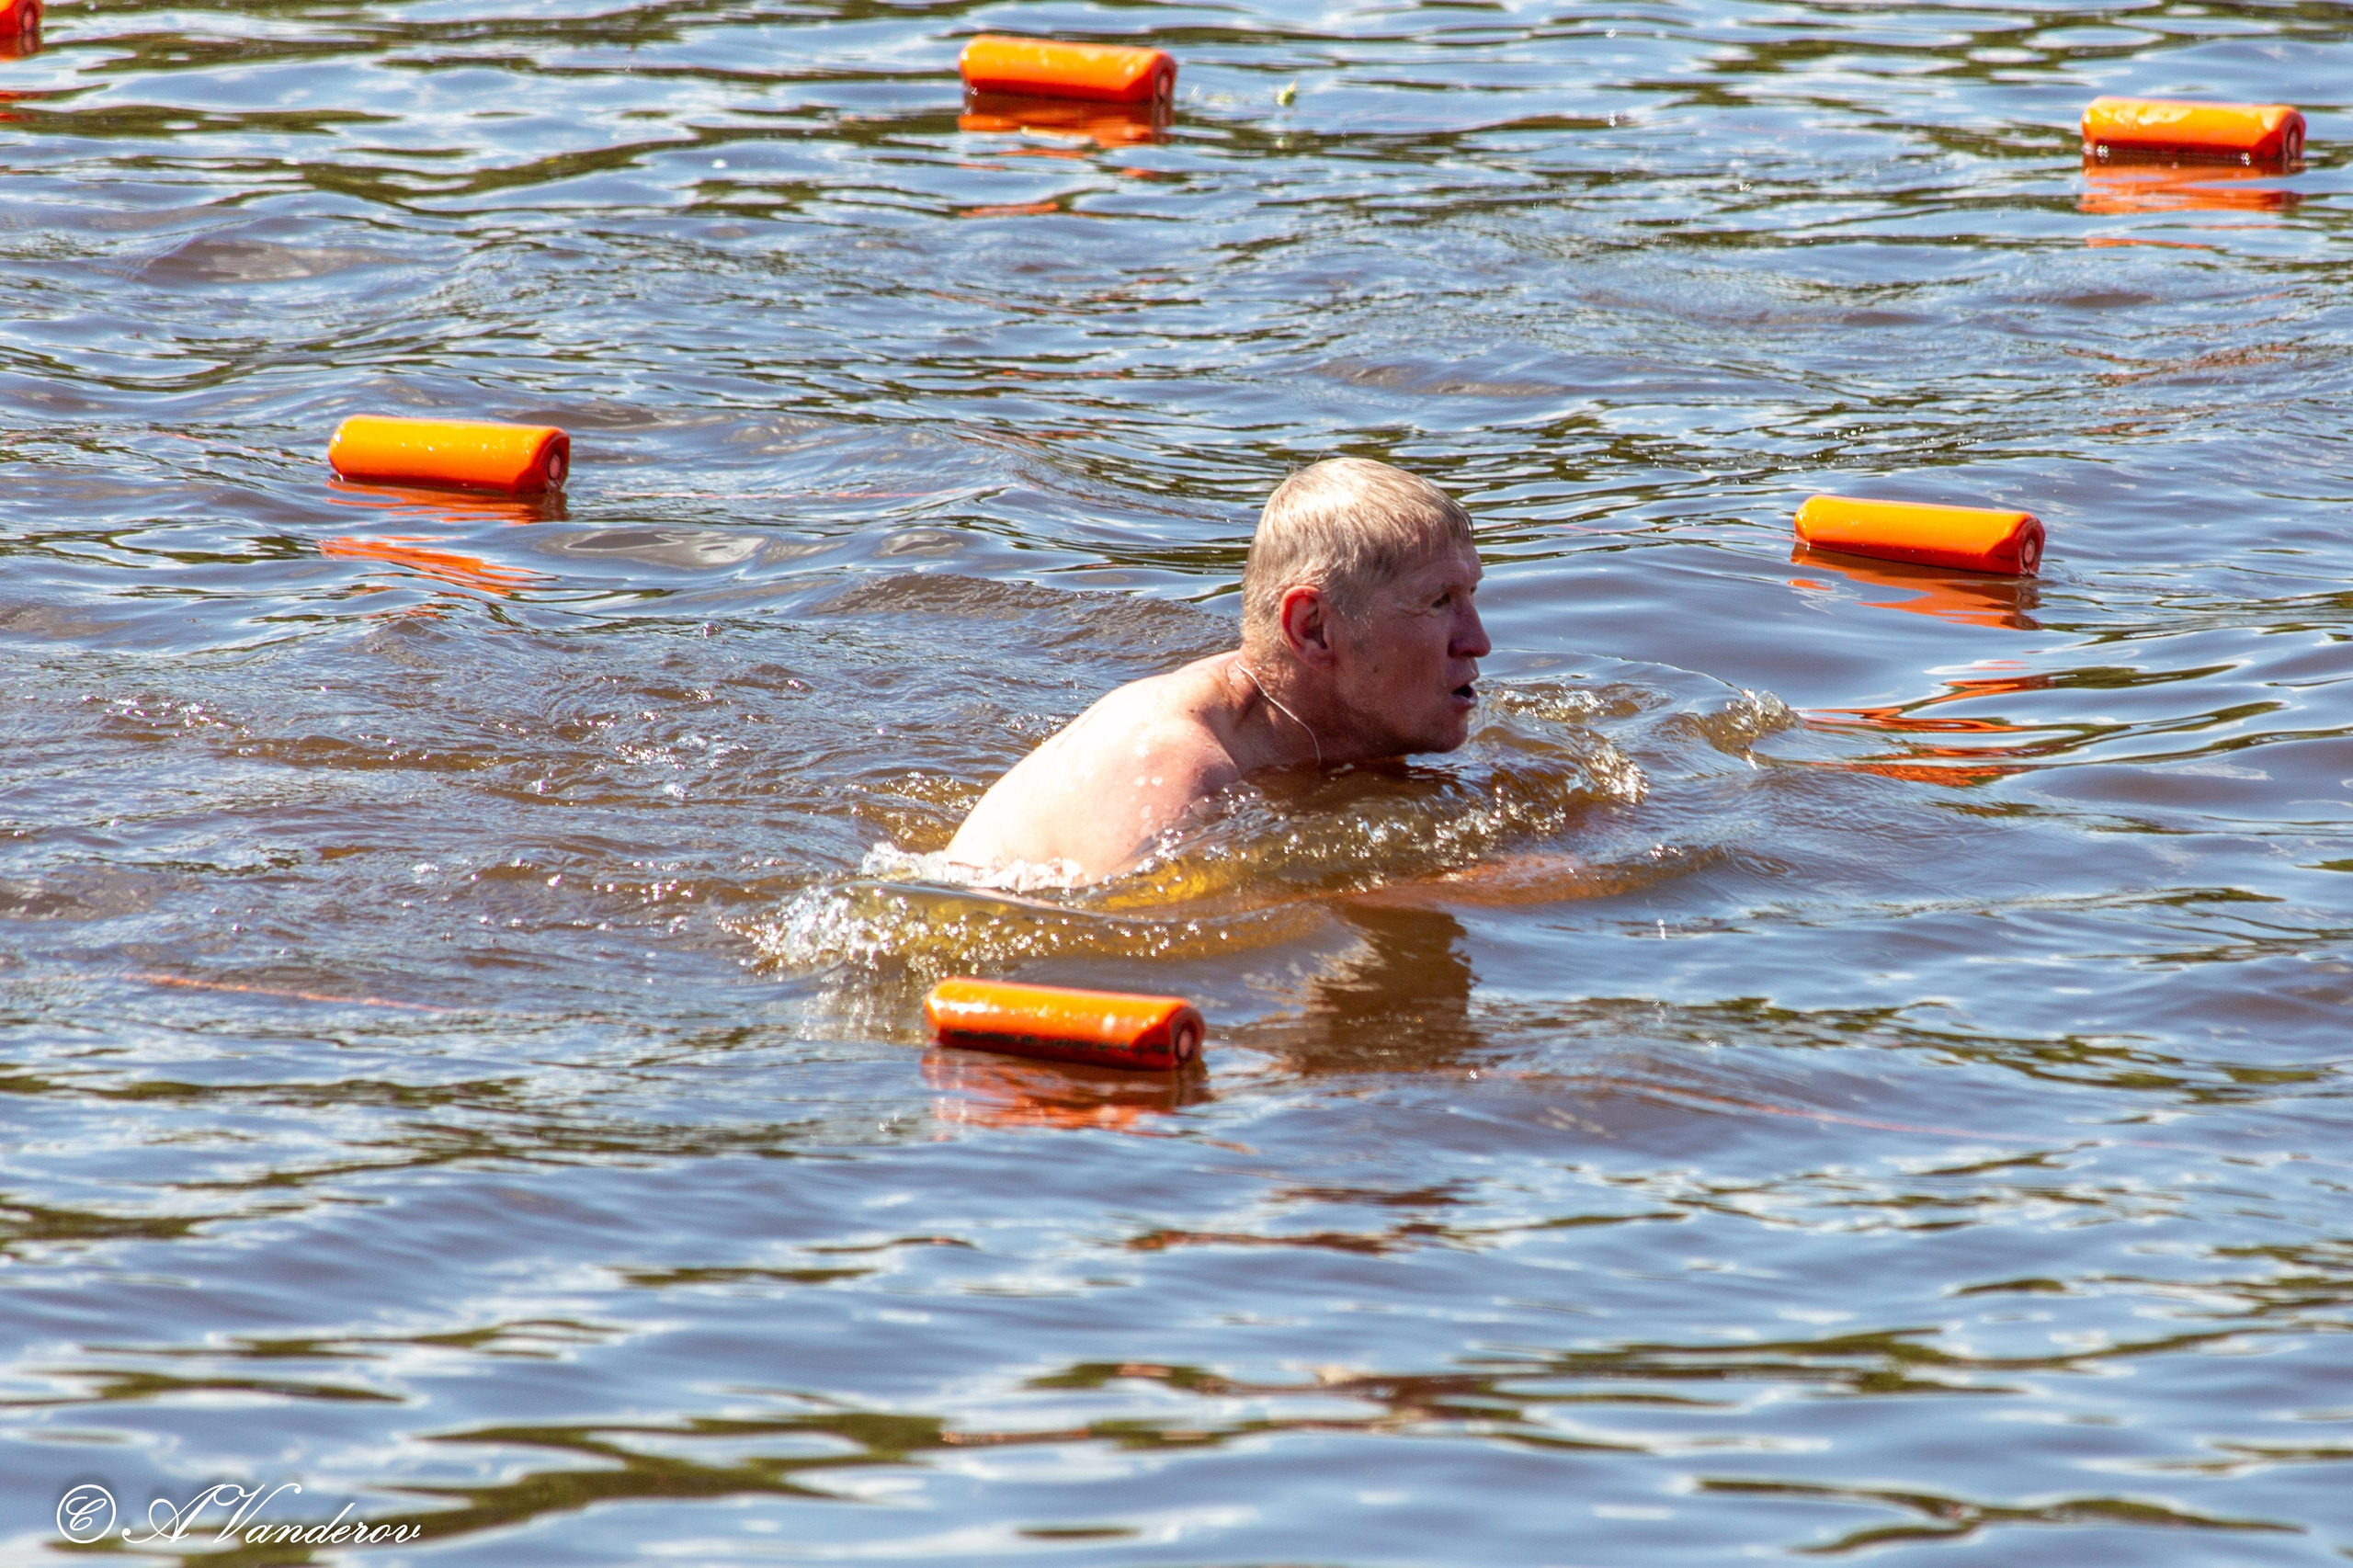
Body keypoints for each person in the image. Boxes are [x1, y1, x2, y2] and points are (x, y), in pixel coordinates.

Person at [946, 457, 1491, 883]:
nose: (1479, 641)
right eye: (1439, 601)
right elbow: (1139, 942)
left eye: (1470, 594)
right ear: (1313, 630)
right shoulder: (1170, 766)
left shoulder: (1351, 721)